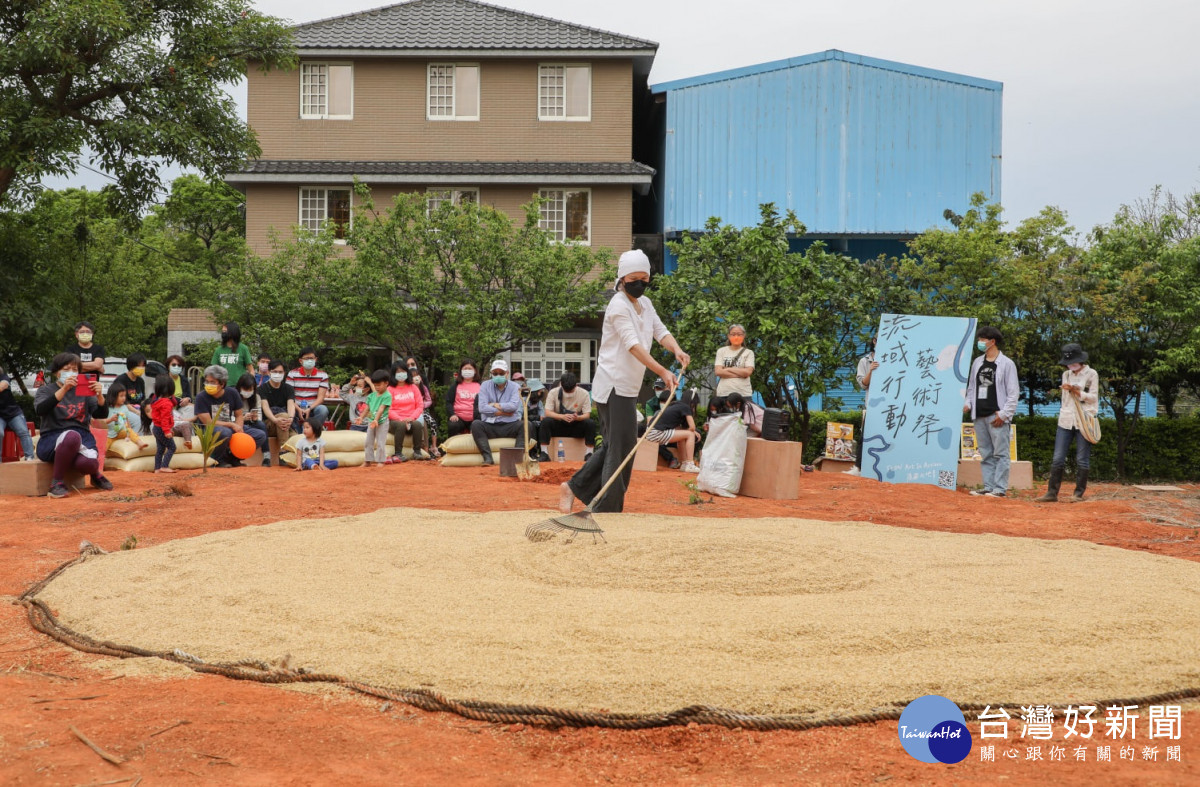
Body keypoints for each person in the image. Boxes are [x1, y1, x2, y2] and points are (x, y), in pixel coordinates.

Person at [560, 249, 690, 513]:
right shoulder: (618, 305)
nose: (640, 283)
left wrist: (676, 349)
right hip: (613, 385)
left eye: (645, 278)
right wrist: (663, 372)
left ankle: (574, 488)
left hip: (628, 387)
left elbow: (660, 331)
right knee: (622, 446)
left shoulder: (647, 304)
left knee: (617, 445)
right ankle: (606, 507)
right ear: (622, 278)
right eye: (635, 278)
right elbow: (632, 345)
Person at [34, 353, 113, 498]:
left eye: (75, 369)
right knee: (71, 437)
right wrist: (64, 389)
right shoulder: (45, 390)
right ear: (57, 372)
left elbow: (100, 415)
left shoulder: (84, 390)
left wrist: (100, 396)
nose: (71, 372)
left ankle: (95, 475)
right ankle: (56, 483)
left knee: (89, 463)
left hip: (83, 437)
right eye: (67, 369)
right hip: (52, 438)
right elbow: (40, 410)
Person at [1035, 343, 1100, 503]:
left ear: (1081, 360)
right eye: (1068, 362)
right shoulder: (1066, 374)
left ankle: (1078, 494)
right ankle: (1052, 492)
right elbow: (1065, 399)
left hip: (1083, 419)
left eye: (1074, 362)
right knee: (1058, 457)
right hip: (1066, 419)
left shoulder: (1091, 374)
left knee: (1082, 459)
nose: (1071, 365)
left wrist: (1079, 393)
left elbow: (1093, 397)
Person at [963, 326, 1020, 498]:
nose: (980, 343)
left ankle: (999, 489)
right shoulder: (977, 362)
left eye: (982, 339)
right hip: (979, 414)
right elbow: (972, 387)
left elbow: (1013, 392)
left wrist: (1004, 414)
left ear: (992, 341)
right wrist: (968, 403)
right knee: (985, 453)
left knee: (1001, 453)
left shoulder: (1007, 364)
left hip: (996, 415)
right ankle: (988, 486)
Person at [194, 365, 266, 468]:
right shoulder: (201, 397)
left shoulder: (232, 393)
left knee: (260, 435)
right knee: (225, 432)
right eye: (207, 381)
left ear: (222, 384)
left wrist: (239, 429)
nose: (208, 385)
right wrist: (231, 425)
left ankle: (234, 458)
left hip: (230, 427)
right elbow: (208, 423)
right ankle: (218, 460)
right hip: (210, 430)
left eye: (212, 382)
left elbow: (239, 415)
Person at [470, 360, 523, 466]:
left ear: (507, 373)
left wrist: (494, 404)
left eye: (501, 373)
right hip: (490, 425)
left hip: (509, 424)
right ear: (491, 374)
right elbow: (482, 408)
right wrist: (502, 412)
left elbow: (513, 406)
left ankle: (517, 460)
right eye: (495, 373)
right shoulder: (485, 385)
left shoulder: (515, 387)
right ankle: (488, 458)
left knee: (526, 425)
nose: (498, 375)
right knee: (476, 424)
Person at [538, 372, 597, 461]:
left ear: (576, 385)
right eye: (566, 390)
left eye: (571, 390)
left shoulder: (584, 393)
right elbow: (547, 412)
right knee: (546, 421)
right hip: (559, 424)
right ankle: (544, 453)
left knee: (590, 423)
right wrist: (561, 416)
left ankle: (589, 453)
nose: (568, 393)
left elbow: (587, 415)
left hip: (576, 425)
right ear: (561, 384)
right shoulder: (553, 393)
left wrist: (577, 418)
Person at [645, 388, 702, 473]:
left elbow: (679, 428)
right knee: (690, 434)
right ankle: (690, 464)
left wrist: (691, 430)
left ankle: (684, 463)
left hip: (650, 432)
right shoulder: (686, 407)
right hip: (656, 433)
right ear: (692, 403)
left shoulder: (676, 405)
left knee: (683, 436)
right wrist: (693, 432)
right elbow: (692, 427)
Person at [846, 336, 878, 476]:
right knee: (865, 437)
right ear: (874, 341)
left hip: (893, 406)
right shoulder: (864, 361)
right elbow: (863, 384)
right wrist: (871, 370)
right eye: (878, 339)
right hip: (873, 406)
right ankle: (858, 468)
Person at [387, 362, 429, 462]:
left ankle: (417, 452)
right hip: (395, 422)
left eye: (403, 371)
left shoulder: (413, 388)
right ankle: (398, 453)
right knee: (401, 425)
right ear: (393, 374)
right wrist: (400, 419)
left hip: (410, 419)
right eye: (398, 372)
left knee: (418, 424)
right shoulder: (390, 389)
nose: (401, 374)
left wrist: (412, 418)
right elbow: (388, 408)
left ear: (407, 373)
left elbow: (420, 405)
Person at [257, 359, 297, 459]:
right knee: (283, 416)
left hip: (286, 423)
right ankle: (283, 452)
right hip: (269, 423)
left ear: (284, 373)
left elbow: (291, 404)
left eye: (280, 372)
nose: (277, 374)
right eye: (274, 372)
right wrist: (275, 420)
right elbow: (265, 406)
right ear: (269, 372)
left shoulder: (288, 388)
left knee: (296, 438)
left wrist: (291, 419)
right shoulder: (262, 389)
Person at [287, 347, 330, 432]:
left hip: (313, 407)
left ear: (316, 359)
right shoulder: (292, 374)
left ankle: (311, 431)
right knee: (286, 411)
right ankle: (297, 433)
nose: (309, 361)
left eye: (312, 358)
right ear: (300, 361)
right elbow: (289, 397)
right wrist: (298, 409)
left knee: (323, 410)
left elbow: (320, 398)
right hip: (295, 407)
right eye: (307, 358)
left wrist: (309, 408)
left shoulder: (323, 375)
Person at [0, 364, 35, 461]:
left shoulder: (3, 377)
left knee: (23, 432)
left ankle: (29, 458)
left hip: (13, 413)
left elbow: (3, 385)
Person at [146, 374, 181, 474]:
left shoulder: (156, 399)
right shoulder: (167, 403)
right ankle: (164, 466)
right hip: (162, 428)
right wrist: (167, 431)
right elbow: (165, 418)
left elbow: (174, 403)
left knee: (160, 449)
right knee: (172, 447)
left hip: (156, 428)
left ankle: (157, 468)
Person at [362, 370, 393, 467]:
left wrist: (376, 419)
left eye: (379, 385)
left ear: (386, 383)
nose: (377, 387)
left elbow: (381, 409)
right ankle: (367, 460)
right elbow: (367, 408)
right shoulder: (371, 395)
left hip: (382, 422)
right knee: (368, 441)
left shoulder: (387, 396)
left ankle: (380, 461)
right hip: (371, 422)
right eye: (375, 385)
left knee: (380, 442)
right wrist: (361, 417)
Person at [714, 324, 754, 398]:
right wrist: (740, 374)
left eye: (739, 334)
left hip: (743, 393)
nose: (736, 337)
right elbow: (718, 371)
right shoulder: (721, 351)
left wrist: (728, 369)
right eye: (733, 334)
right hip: (724, 393)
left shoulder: (749, 352)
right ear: (728, 336)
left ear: (744, 336)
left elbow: (747, 372)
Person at [111, 353, 149, 430]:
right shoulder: (121, 380)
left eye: (143, 366)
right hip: (122, 409)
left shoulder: (140, 381)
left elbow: (142, 399)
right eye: (139, 366)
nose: (141, 368)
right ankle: (135, 440)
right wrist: (137, 412)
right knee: (138, 421)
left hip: (137, 409)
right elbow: (122, 402)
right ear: (131, 366)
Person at [445, 361, 481, 438]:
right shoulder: (455, 385)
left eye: (470, 368)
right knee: (452, 425)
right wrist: (452, 414)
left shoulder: (480, 386)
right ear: (461, 371)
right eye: (465, 368)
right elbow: (448, 402)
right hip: (459, 417)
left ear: (475, 371)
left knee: (478, 429)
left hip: (475, 418)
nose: (467, 370)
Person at [104, 384, 147, 449]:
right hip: (109, 435)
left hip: (121, 432)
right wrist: (111, 419)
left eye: (124, 395)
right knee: (104, 446)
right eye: (121, 396)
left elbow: (127, 421)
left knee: (130, 431)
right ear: (113, 396)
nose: (124, 398)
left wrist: (130, 432)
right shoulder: (107, 408)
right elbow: (102, 423)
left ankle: (139, 443)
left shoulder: (124, 408)